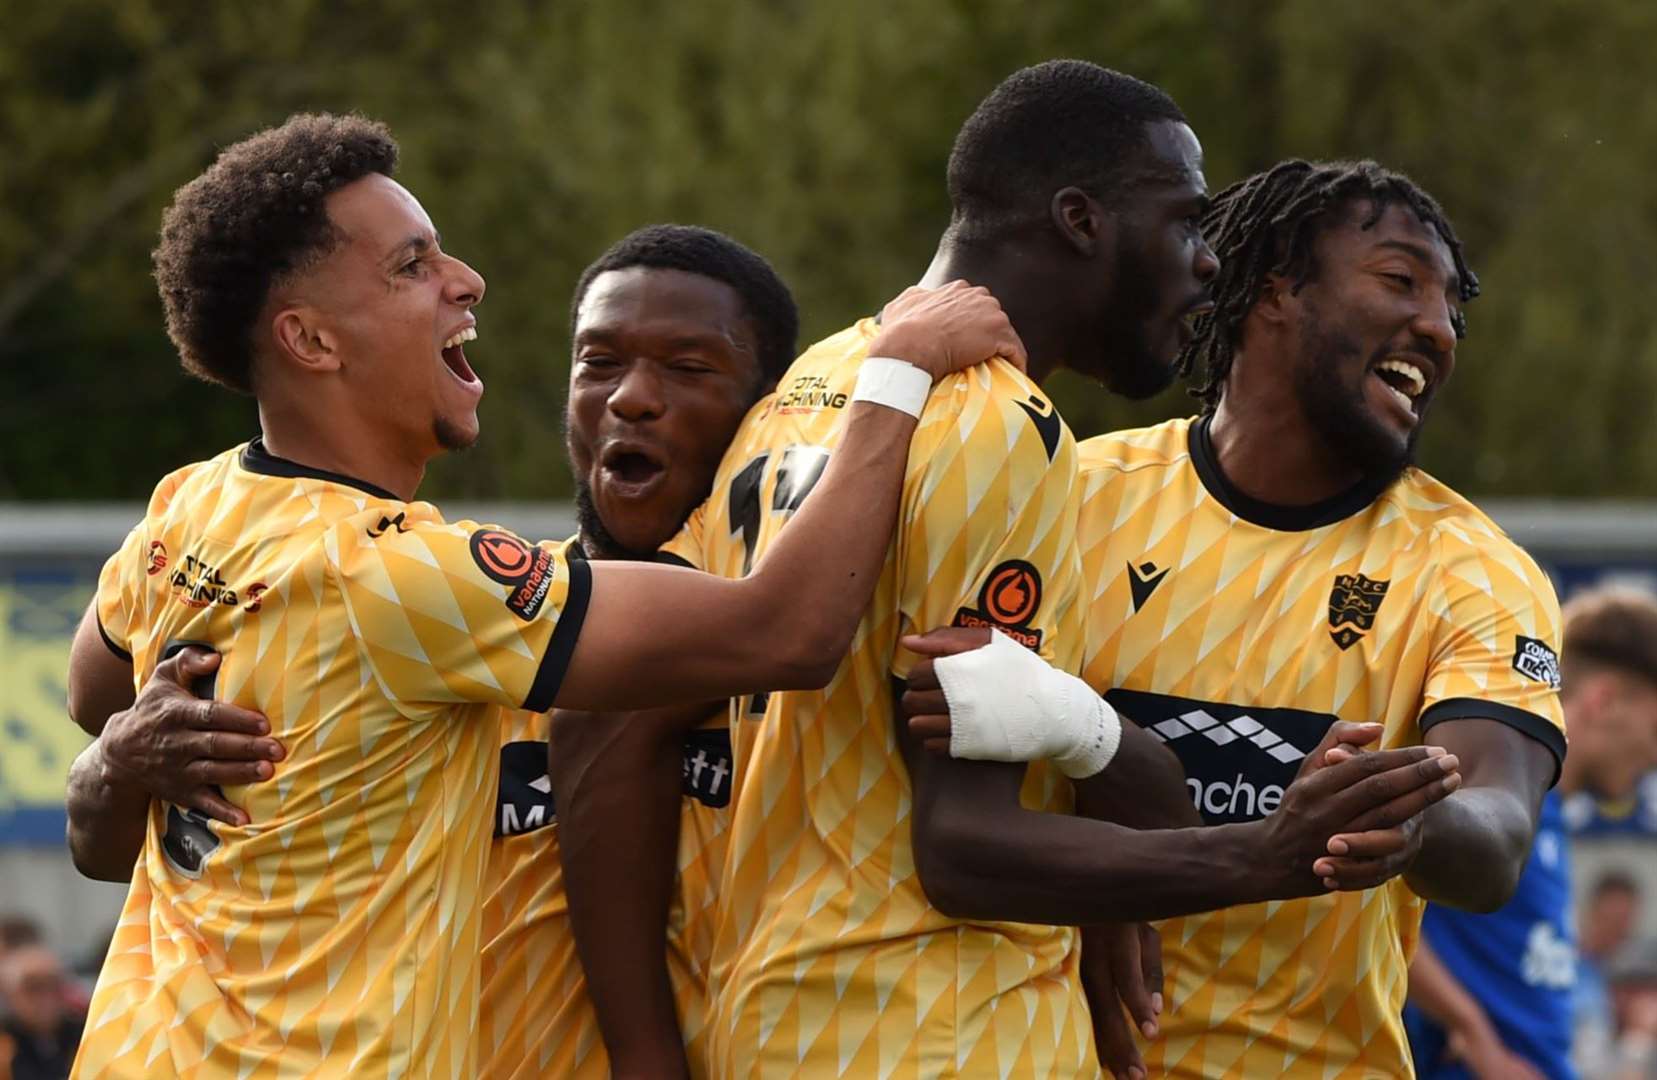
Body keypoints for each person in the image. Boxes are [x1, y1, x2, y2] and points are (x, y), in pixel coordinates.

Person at [59, 112, 1019, 1078]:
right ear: (310, 338)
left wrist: (113, 759)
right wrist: (894, 375)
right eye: (411, 266)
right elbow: (791, 631)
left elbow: (94, 698)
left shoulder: (195, 506)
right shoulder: (413, 578)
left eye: (686, 368)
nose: (465, 280)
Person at [561, 63, 1463, 1078]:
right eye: (1182, 223)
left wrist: (644, 1053)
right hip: (936, 1031)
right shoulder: (1000, 426)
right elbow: (965, 850)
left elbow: (612, 720)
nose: (1206, 264)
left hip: (768, 1022)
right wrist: (1262, 852)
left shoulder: (814, 384)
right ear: (1081, 219)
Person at [68, 222, 801, 1080]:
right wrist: (116, 761)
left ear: (769, 407)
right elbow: (105, 802)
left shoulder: (822, 661)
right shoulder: (446, 604)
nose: (632, 398)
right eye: (597, 363)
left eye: (688, 368)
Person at [904, 158, 1565, 1078]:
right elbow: (956, 827)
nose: (1438, 327)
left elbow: (1495, 835)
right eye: (1399, 281)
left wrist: (1411, 822)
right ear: (1270, 290)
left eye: (1451, 305)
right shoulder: (1068, 495)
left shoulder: (1473, 569)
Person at [1404, 585, 1657, 1079]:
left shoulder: (1553, 812)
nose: (1654, 756)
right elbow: (1374, 906)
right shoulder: (1495, 806)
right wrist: (1474, 1035)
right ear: (1604, 701)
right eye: (1656, 731)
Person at [0, 944, 83, 1080]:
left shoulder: (85, 1036)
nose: (46, 997)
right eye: (33, 988)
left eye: (55, 985)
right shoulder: (4, 1045)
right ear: (9, 994)